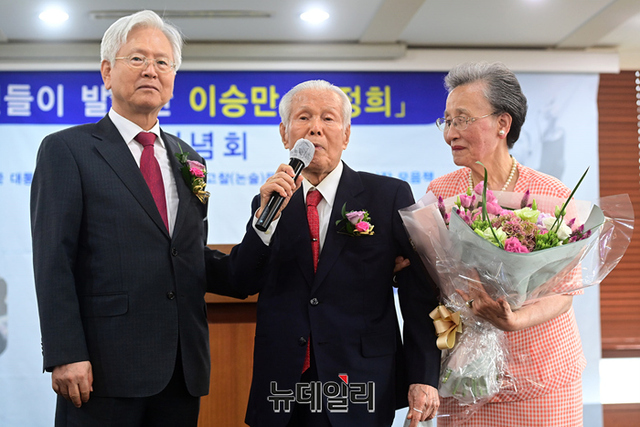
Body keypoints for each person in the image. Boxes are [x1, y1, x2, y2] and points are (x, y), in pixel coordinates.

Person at [30, 10, 269, 426]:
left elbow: (187, 255)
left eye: (163, 62)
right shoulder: (67, 150)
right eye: (137, 58)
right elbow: (54, 259)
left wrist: (263, 227)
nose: (151, 70)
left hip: (181, 368)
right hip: (103, 368)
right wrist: (66, 353)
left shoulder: (189, 159)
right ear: (107, 72)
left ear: (173, 77)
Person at [239, 79, 441, 427]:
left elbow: (418, 293)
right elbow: (242, 279)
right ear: (285, 134)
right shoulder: (269, 202)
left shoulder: (387, 196)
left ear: (346, 135)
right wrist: (262, 224)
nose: (315, 128)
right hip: (284, 384)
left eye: (328, 118)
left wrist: (422, 375)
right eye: (303, 117)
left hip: (360, 380)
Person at [428, 62, 586, 426]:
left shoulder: (550, 194)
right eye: (447, 121)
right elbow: (438, 288)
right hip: (466, 373)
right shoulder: (440, 192)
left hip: (540, 377)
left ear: (503, 123)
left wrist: (515, 320)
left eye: (462, 119)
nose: (450, 133)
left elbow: (565, 292)